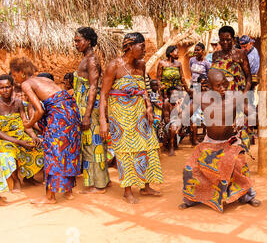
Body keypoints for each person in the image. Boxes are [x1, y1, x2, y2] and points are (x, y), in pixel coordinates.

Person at [179, 69, 261, 211]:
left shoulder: (235, 97)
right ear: (210, 86)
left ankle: (247, 196)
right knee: (190, 168)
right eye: (218, 86)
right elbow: (186, 113)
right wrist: (177, 122)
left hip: (230, 141)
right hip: (209, 142)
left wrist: (244, 118)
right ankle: (191, 198)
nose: (223, 88)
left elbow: (254, 114)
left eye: (224, 84)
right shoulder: (201, 98)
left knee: (238, 166)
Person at [99, 32, 163, 204]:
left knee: (148, 147)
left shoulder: (141, 65)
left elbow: (143, 89)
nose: (144, 51)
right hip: (120, 118)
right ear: (129, 46)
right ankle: (127, 191)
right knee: (126, 152)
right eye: (141, 47)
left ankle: (146, 186)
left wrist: (149, 106)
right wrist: (103, 122)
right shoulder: (114, 66)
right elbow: (103, 95)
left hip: (140, 115)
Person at [9, 57, 81, 204]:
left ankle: (50, 197)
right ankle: (68, 193)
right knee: (67, 151)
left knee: (53, 153)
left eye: (14, 74)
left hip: (59, 118)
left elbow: (40, 110)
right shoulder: (45, 80)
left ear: (21, 73)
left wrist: (29, 124)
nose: (13, 78)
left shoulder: (26, 84)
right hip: (71, 115)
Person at [73, 27, 110, 194]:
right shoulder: (87, 59)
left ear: (88, 41)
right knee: (93, 144)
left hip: (89, 108)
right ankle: (102, 181)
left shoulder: (92, 60)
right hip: (84, 106)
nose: (76, 44)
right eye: (75, 41)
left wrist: (87, 115)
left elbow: (94, 88)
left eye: (78, 41)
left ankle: (96, 185)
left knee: (92, 145)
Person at [0, 74, 44, 192]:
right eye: (1, 88)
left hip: (20, 135)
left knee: (38, 146)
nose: (5, 90)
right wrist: (19, 142)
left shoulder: (18, 103)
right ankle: (16, 181)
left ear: (12, 87)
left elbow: (25, 123)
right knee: (9, 152)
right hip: (4, 139)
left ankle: (29, 177)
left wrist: (34, 136)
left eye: (7, 87)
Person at [210, 26, 251, 93]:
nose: (225, 42)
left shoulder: (240, 54)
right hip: (220, 94)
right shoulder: (216, 55)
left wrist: (245, 94)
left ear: (233, 39)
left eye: (228, 39)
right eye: (222, 40)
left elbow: (248, 76)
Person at [149, 79, 164, 144]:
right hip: (156, 110)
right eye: (154, 85)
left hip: (159, 111)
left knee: (160, 123)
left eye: (157, 85)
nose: (156, 87)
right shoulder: (152, 94)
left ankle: (160, 137)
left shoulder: (158, 93)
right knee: (156, 123)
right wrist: (161, 108)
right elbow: (154, 103)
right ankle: (156, 138)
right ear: (151, 87)